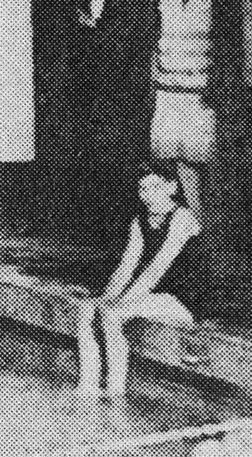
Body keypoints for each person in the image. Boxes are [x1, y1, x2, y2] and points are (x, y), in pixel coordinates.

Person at [76, 161, 205, 400]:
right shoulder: (140, 220)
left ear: (172, 187)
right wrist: (105, 298)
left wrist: (122, 303)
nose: (148, 195)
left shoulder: (182, 219)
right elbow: (127, 265)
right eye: (143, 189)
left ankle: (115, 392)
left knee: (112, 315)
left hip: (185, 300)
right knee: (87, 310)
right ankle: (88, 386)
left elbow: (157, 268)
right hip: (154, 297)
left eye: (155, 187)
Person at [62, 0, 151, 239]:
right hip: (87, 88)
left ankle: (122, 224)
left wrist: (92, 31)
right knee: (91, 156)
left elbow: (127, 42)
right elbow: (68, 39)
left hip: (120, 90)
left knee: (118, 155)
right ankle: (96, 225)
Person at [149, 0, 216, 217]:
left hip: (199, 93)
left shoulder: (210, 1)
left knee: (199, 156)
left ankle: (203, 222)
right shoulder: (167, 2)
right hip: (168, 91)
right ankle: (188, 223)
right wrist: (154, 82)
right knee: (171, 158)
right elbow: (157, 44)